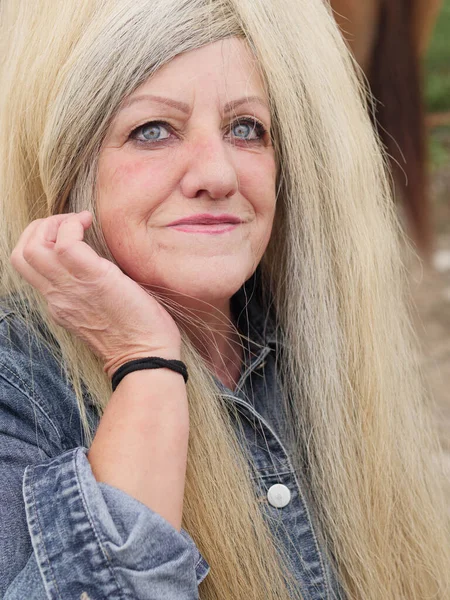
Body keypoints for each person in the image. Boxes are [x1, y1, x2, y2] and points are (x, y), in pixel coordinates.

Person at [0, 0, 449, 598]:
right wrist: (146, 364)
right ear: (71, 165)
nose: (219, 173)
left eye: (246, 129)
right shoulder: (18, 390)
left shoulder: (321, 353)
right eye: (152, 131)